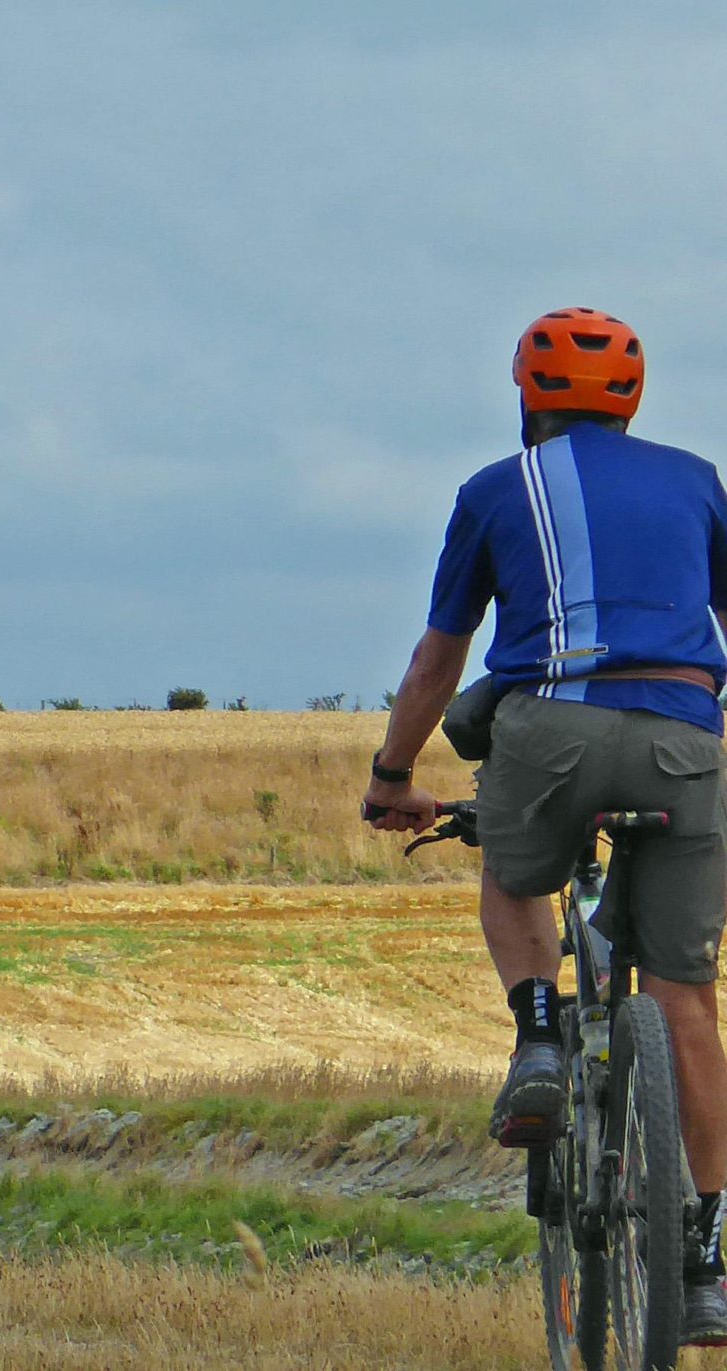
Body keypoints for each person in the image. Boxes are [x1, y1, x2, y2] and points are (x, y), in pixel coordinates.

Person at [363, 307, 727, 1344]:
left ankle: (534, 1040)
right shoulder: (698, 483)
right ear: (633, 400)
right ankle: (703, 1262)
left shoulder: (493, 491)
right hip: (682, 739)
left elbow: (439, 659)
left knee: (516, 876)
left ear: (528, 397)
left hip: (547, 731)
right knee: (687, 999)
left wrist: (393, 775)